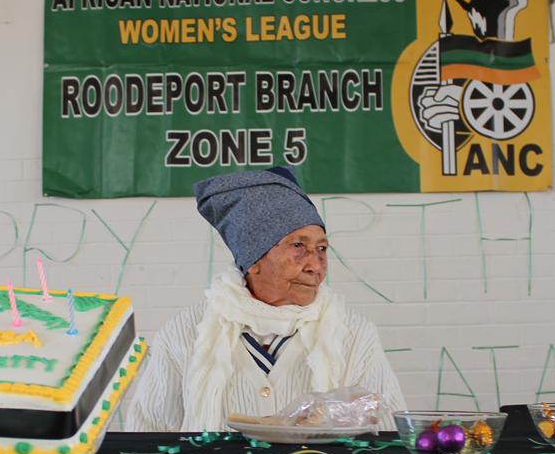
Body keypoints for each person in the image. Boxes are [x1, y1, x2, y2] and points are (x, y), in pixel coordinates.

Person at [125, 166, 407, 432]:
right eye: (298, 246)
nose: (315, 266)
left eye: (321, 249)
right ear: (253, 260)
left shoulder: (354, 333)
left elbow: (389, 430)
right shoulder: (187, 331)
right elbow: (147, 432)